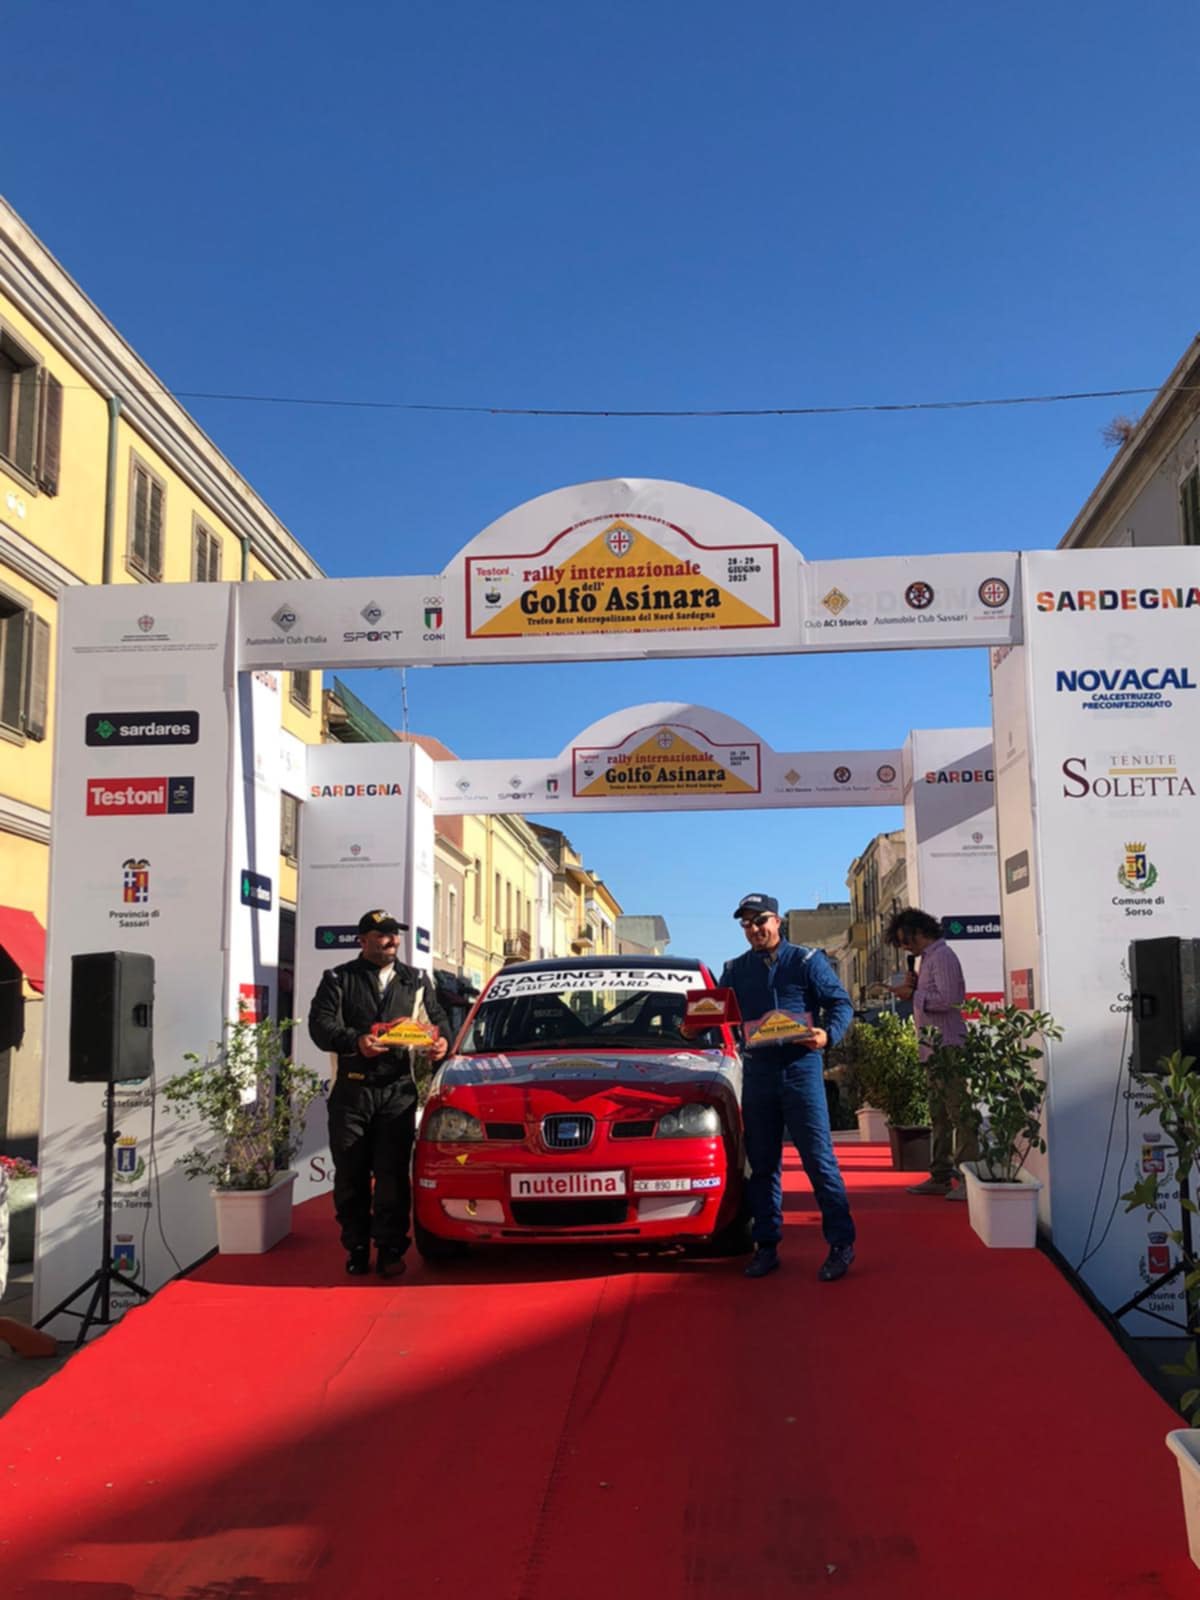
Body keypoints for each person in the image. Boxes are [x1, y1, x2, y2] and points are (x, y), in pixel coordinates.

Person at [720, 893, 856, 1281]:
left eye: (760, 920)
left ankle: (841, 1244)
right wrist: (689, 1027)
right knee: (762, 1165)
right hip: (758, 1073)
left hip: (801, 1070)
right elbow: (715, 1012)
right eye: (746, 923)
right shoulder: (734, 969)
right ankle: (766, 1245)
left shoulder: (807, 961)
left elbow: (841, 1003)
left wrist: (827, 1034)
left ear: (777, 921)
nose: (754, 929)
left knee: (819, 1160)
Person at [308, 909, 451, 1276]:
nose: (391, 940)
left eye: (394, 934)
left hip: (397, 1091)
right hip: (352, 1091)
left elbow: (438, 1021)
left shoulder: (415, 979)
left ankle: (390, 1248)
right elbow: (320, 1026)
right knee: (350, 1176)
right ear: (363, 941)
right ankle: (356, 1246)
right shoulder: (339, 978)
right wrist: (356, 1041)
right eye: (382, 935)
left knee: (392, 1176)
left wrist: (441, 1043)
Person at [885, 907, 976, 1200]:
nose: (904, 947)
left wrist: (914, 995)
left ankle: (969, 1178)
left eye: (906, 940)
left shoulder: (942, 957)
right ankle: (941, 1174)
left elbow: (949, 1000)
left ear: (920, 932)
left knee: (959, 1112)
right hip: (933, 1047)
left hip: (947, 1045)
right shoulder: (927, 960)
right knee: (939, 1114)